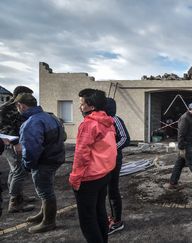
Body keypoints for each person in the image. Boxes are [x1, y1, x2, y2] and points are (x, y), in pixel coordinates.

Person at [13, 93, 65, 233]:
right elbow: (64, 137)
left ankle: (48, 222)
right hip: (56, 159)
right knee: (47, 188)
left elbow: (30, 150)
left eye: (17, 106)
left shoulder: (31, 123)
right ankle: (43, 214)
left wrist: (27, 165)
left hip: (44, 162)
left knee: (45, 191)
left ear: (21, 106)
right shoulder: (51, 116)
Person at [69, 89, 117, 243]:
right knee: (100, 212)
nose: (80, 107)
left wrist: (75, 178)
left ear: (91, 106)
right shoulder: (108, 122)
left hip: (89, 178)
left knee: (88, 219)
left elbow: (81, 154)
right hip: (104, 175)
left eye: (82, 104)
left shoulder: (89, 124)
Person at [0, 86, 36, 213]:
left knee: (14, 170)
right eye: (27, 95)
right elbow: (4, 130)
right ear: (19, 95)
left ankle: (18, 196)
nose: (30, 99)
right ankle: (15, 203)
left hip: (20, 143)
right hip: (12, 145)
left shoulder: (20, 108)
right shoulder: (5, 109)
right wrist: (15, 143)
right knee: (19, 171)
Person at [105, 97, 130, 235]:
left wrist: (111, 150)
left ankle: (117, 221)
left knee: (113, 190)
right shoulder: (102, 121)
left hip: (114, 159)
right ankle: (113, 217)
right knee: (108, 190)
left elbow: (126, 139)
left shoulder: (115, 119)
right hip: (104, 161)